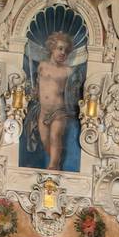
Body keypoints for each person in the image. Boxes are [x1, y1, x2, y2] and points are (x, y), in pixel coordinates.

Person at [33, 31, 76, 169]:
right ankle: (56, 162)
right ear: (52, 48)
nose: (63, 52)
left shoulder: (68, 71)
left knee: (55, 137)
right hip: (43, 111)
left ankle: (52, 168)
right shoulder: (42, 66)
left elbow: (72, 91)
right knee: (45, 140)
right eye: (60, 48)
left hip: (59, 111)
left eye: (66, 50)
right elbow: (37, 86)